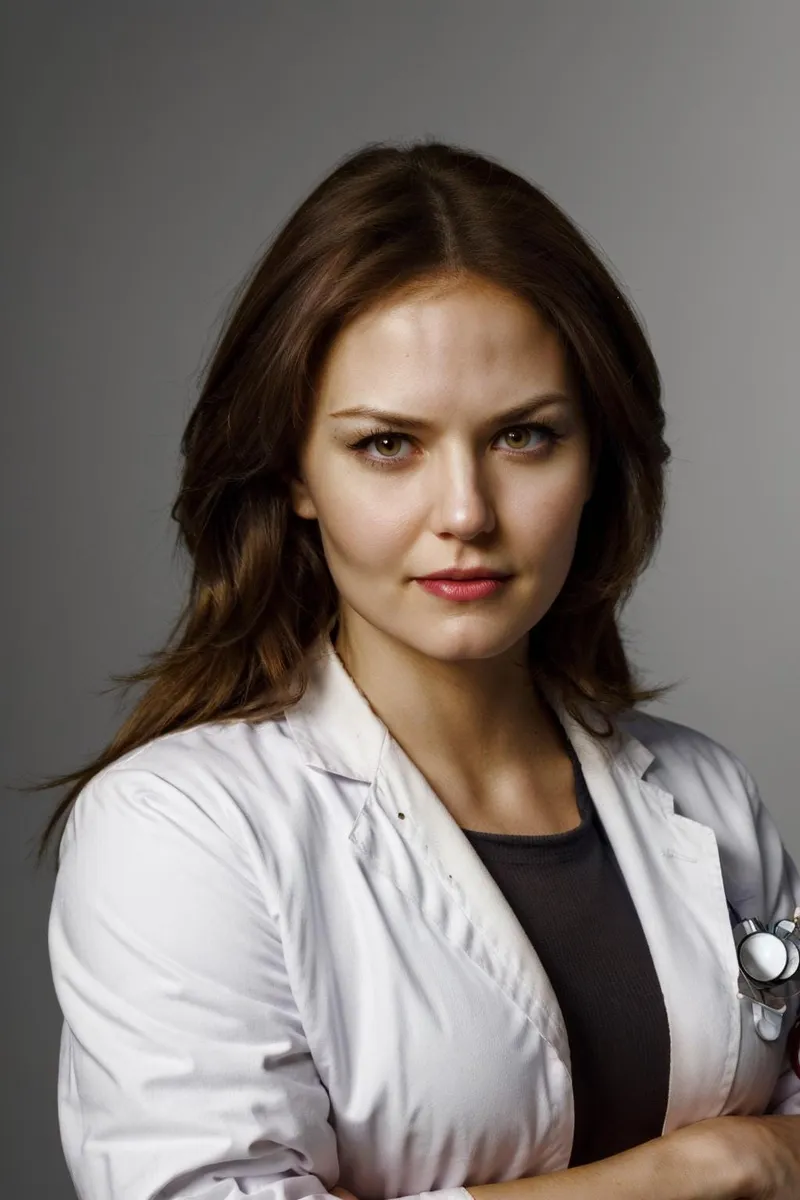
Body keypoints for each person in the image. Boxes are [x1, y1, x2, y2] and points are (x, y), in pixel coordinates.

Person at [38, 139, 800, 1199]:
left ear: (597, 460)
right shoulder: (179, 831)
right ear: (294, 470)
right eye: (387, 445)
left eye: (523, 437)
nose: (464, 515)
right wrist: (702, 1168)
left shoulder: (705, 797)